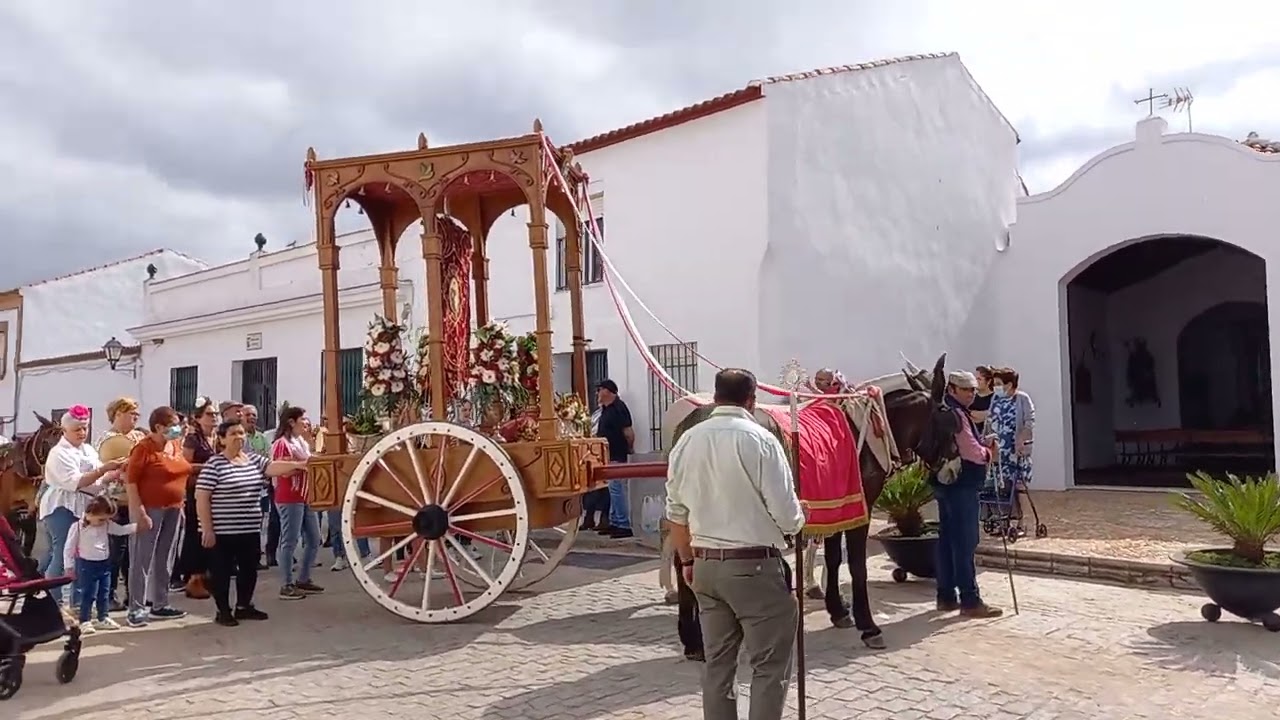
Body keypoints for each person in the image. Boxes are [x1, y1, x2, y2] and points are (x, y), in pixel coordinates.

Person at [666, 368, 807, 720]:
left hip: (704, 567)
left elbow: (676, 513)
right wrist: (800, 515)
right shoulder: (760, 440)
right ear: (752, 400)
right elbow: (787, 516)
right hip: (754, 567)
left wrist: (686, 562)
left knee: (718, 666)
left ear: (715, 398)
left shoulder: (687, 440)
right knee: (769, 665)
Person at [196, 419, 306, 627]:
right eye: (233, 434)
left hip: (248, 528)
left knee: (248, 570)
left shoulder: (253, 460)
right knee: (222, 572)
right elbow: (202, 497)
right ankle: (223, 611)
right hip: (222, 531)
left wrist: (299, 465)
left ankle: (244, 606)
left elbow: (273, 467)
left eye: (240, 433)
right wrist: (207, 529)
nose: (239, 437)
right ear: (221, 439)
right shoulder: (214, 464)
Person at [933, 370, 1003, 618]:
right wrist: (988, 453)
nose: (972, 394)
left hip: (944, 482)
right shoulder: (957, 415)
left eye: (973, 389)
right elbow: (972, 451)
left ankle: (946, 596)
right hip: (962, 484)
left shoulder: (944, 411)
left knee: (947, 540)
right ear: (952, 389)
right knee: (965, 542)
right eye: (966, 389)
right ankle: (970, 599)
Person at [39, 405, 123, 606]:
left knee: (79, 554)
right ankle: (53, 600)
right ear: (65, 430)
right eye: (77, 429)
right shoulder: (59, 453)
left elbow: (96, 480)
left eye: (85, 428)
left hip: (84, 505)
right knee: (63, 552)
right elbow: (75, 482)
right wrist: (104, 469)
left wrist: (115, 472)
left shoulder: (88, 450)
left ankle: (75, 599)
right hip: (62, 507)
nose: (82, 433)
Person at [124, 406, 192, 627]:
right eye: (173, 424)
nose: (178, 429)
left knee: (166, 556)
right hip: (150, 508)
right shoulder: (143, 448)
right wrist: (139, 511)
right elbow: (131, 481)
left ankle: (160, 604)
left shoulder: (174, 445)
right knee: (141, 558)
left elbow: (183, 469)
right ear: (158, 426)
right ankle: (136, 608)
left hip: (174, 507)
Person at [95, 396, 145, 612]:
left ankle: (133, 595)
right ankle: (108, 595)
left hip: (135, 500)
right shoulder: (106, 439)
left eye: (137, 414)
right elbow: (103, 469)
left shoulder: (138, 436)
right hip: (114, 502)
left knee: (133, 554)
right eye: (131, 413)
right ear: (118, 414)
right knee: (115, 552)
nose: (136, 417)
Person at [271, 406, 324, 599]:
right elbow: (281, 470)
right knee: (289, 540)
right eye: (303, 420)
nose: (306, 423)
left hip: (304, 495)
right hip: (289, 496)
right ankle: (286, 584)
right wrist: (302, 467)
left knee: (313, 538)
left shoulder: (300, 442)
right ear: (291, 422)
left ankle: (303, 578)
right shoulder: (281, 444)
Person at [63, 495, 135, 634]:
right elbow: (69, 548)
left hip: (104, 563)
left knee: (104, 592)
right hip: (86, 565)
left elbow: (120, 530)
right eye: (101, 519)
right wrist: (69, 567)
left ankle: (103, 617)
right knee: (88, 594)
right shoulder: (77, 527)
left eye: (107, 519)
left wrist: (136, 527)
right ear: (90, 513)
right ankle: (85, 620)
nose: (104, 522)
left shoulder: (106, 524)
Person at [174, 396, 218, 599]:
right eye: (209, 414)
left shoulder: (215, 437)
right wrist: (208, 467)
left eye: (215, 414)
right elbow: (185, 465)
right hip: (195, 491)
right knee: (195, 533)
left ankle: (207, 575)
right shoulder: (193, 439)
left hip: (213, 491)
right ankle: (193, 577)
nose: (214, 417)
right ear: (198, 417)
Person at [988, 367, 1035, 531]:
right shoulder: (996, 399)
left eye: (999, 384)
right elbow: (990, 420)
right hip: (1000, 451)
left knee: (1018, 487)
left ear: (1009, 384)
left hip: (1016, 450)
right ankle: (1004, 520)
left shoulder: (1022, 399)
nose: (996, 387)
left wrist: (1022, 439)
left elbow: (1029, 421)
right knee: (1001, 487)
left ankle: (1021, 522)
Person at [595, 379, 634, 539]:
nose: (597, 393)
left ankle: (623, 524)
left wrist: (629, 448)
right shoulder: (605, 409)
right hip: (606, 455)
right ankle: (614, 522)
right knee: (612, 490)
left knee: (617, 490)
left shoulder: (619, 408)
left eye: (600, 389)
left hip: (616, 454)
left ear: (609, 391)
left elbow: (628, 432)